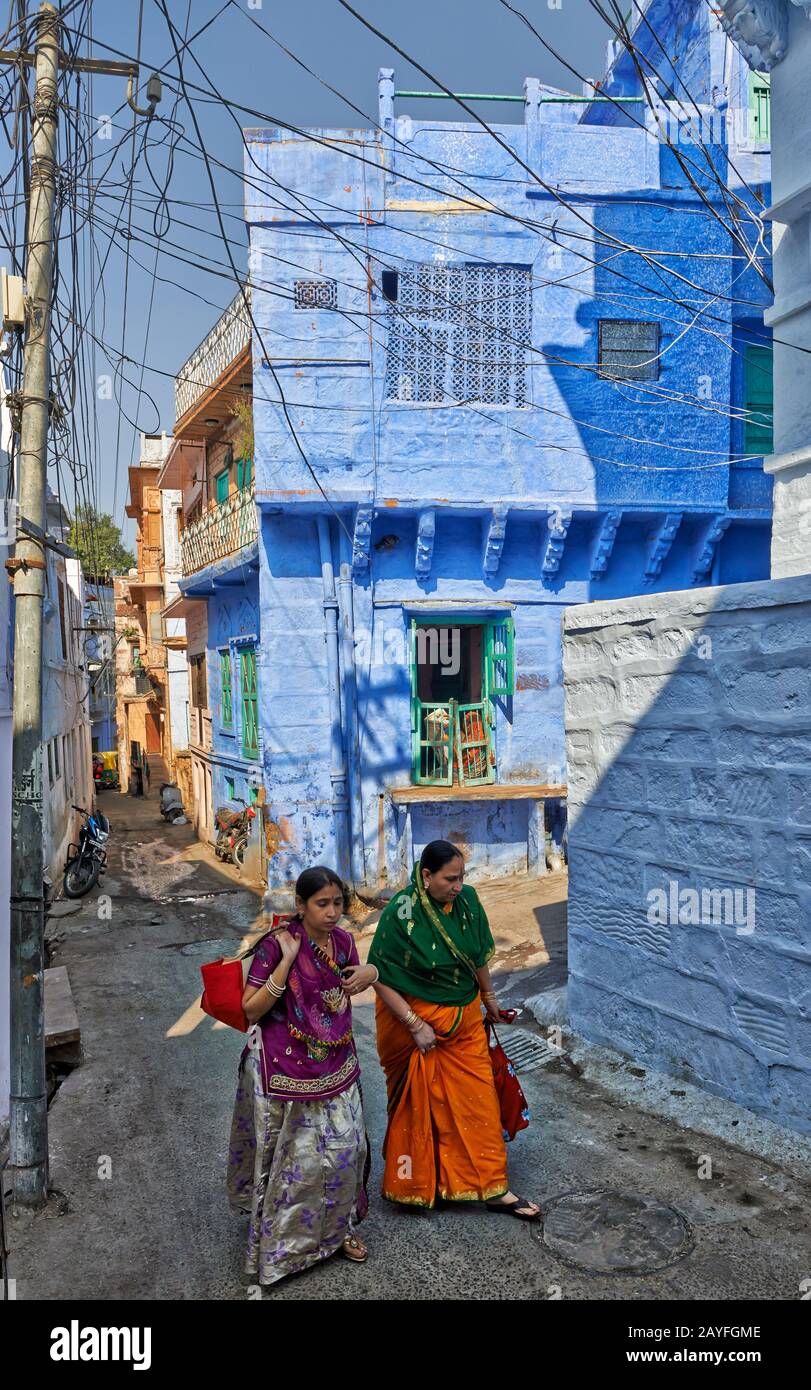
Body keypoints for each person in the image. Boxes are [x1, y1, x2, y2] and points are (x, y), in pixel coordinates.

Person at [367, 839, 540, 1220]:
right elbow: (378, 973)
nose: (458, 886)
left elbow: (476, 955)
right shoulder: (402, 912)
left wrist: (490, 998)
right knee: (422, 1103)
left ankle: (493, 1187)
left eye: (462, 877)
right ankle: (424, 1181)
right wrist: (414, 1026)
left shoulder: (468, 902)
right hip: (418, 1026)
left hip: (464, 1020)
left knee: (478, 1100)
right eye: (450, 879)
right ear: (426, 876)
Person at [227, 866, 379, 1286]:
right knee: (296, 1164)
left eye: (338, 904)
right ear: (301, 905)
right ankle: (281, 1252)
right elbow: (251, 1010)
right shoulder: (276, 945)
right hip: (284, 1069)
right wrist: (287, 962)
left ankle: (339, 1231)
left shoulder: (344, 941)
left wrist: (372, 974)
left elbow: (353, 979)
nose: (332, 913)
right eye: (322, 904)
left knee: (349, 1152)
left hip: (336, 1063)